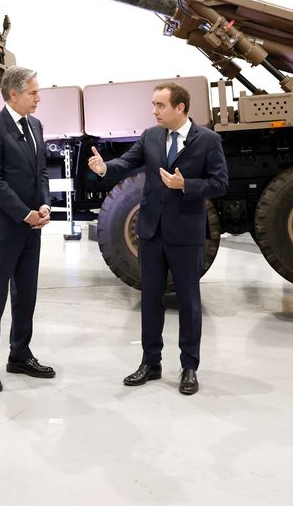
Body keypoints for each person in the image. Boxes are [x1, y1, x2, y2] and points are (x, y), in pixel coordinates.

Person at [87, 81, 228, 396]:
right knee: (150, 300)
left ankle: (189, 367)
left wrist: (186, 185)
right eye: (153, 105)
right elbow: (126, 163)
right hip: (150, 233)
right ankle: (150, 363)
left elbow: (219, 183)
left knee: (189, 302)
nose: (154, 111)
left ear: (180, 107)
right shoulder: (151, 136)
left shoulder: (208, 140)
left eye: (160, 105)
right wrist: (103, 168)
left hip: (186, 234)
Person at [0, 66, 55, 393]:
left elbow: (41, 173)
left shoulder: (35, 125)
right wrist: (25, 214)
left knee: (26, 294)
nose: (39, 97)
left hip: (32, 226)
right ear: (13, 94)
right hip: (3, 226)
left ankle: (19, 354)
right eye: (33, 92)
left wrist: (45, 206)